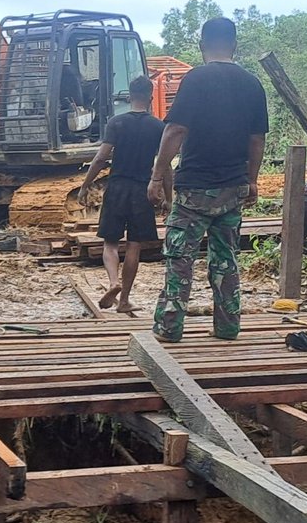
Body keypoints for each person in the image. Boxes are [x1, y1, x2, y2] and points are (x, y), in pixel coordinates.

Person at [147, 18, 268, 343]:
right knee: (226, 258)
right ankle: (227, 327)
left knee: (179, 258)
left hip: (195, 189)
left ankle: (169, 327)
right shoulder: (252, 84)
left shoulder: (196, 79)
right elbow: (257, 139)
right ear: (235, 45)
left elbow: (176, 129)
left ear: (202, 45)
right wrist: (252, 181)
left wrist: (157, 177)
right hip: (233, 187)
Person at [76, 75, 163, 313]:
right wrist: (168, 195)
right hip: (142, 190)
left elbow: (100, 158)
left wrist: (85, 185)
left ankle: (113, 282)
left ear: (129, 96)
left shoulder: (116, 123)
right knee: (134, 245)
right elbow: (163, 165)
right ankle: (124, 300)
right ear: (150, 97)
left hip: (117, 188)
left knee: (110, 243)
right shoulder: (158, 127)